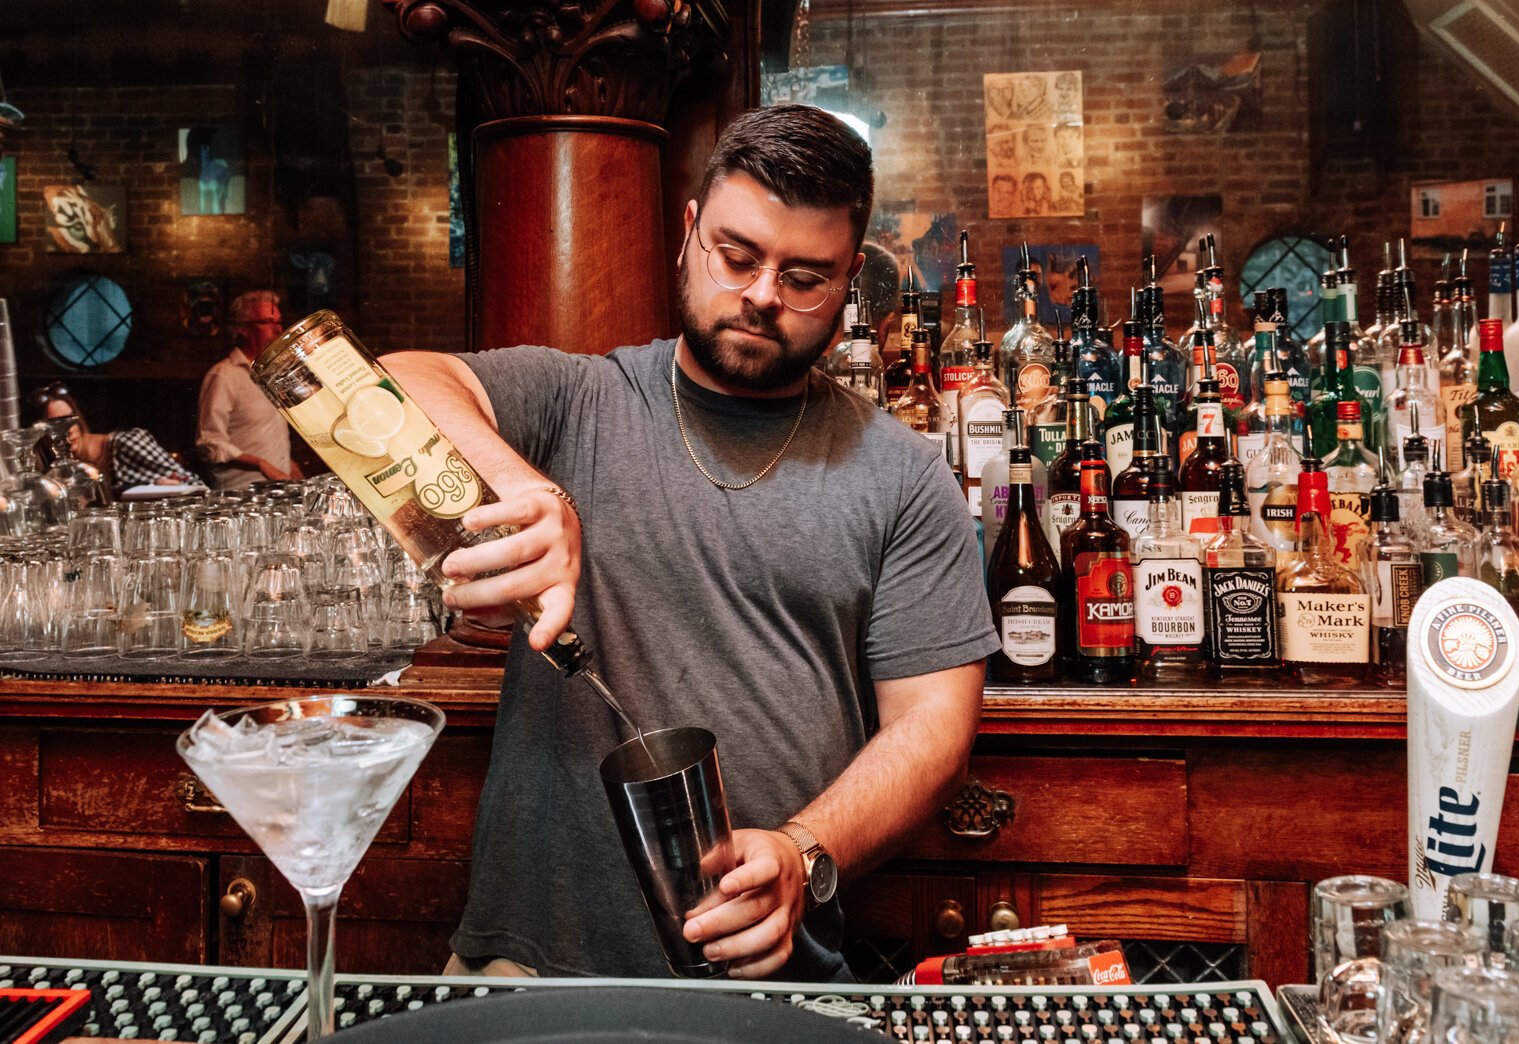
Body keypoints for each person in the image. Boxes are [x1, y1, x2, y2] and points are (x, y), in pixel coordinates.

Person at [382, 105, 996, 982]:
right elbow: (397, 381)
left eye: (805, 276)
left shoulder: (903, 476)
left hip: (768, 983)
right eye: (737, 255)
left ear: (851, 278)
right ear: (688, 233)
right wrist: (521, 485)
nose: (761, 295)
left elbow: (934, 726)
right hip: (532, 970)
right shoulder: (578, 401)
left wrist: (803, 852)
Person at [196, 290, 301, 488]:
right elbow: (210, 443)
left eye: (279, 321)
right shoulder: (223, 375)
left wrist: (293, 473)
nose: (278, 329)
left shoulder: (272, 374)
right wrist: (260, 464)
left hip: (277, 493)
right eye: (268, 322)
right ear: (242, 329)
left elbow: (269, 439)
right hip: (241, 495)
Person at [28, 383, 201, 495]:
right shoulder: (56, 470)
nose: (66, 431)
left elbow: (196, 486)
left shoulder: (126, 444)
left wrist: (156, 486)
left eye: (69, 420)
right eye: (55, 425)